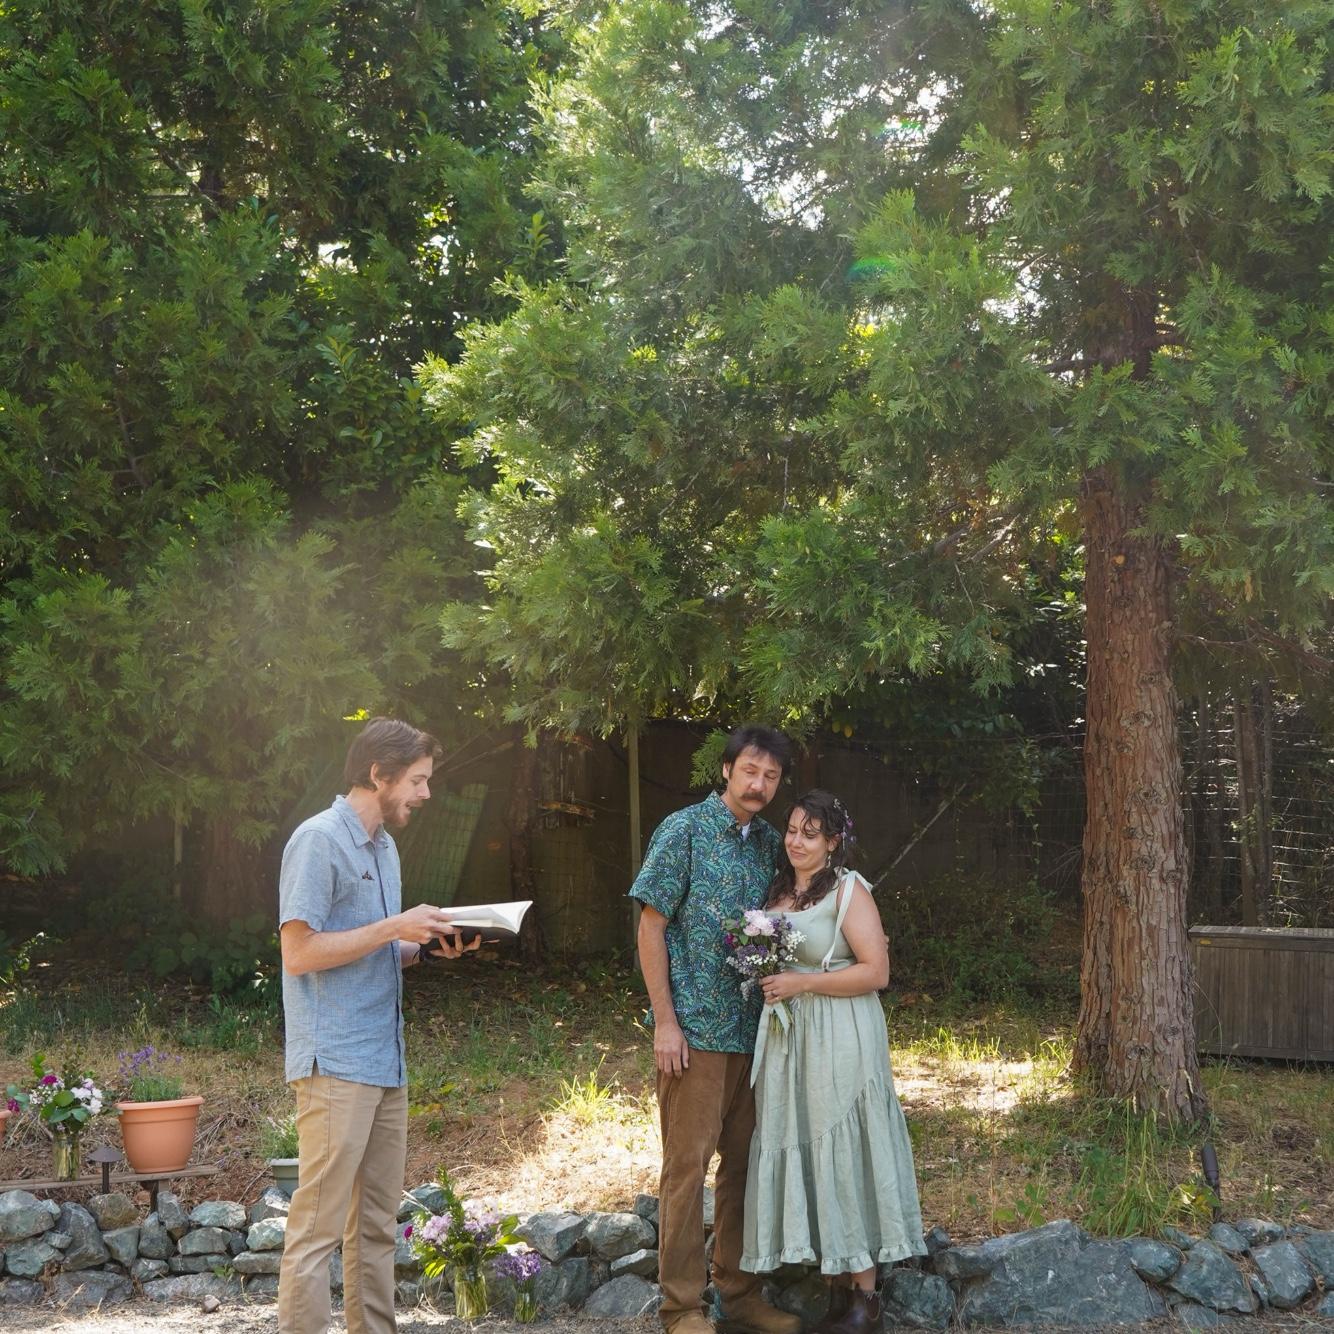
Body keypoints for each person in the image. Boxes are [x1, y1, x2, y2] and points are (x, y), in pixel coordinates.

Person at [277, 717, 477, 1334]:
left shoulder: (385, 847)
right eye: (417, 781)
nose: (424, 793)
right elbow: (300, 953)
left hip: (385, 1060)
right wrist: (395, 928)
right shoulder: (318, 841)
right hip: (335, 1061)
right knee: (316, 1232)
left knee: (376, 1228)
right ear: (378, 775)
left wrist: (424, 945)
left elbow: (367, 946)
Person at [630, 724, 802, 1334]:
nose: (760, 785)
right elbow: (651, 926)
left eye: (772, 776)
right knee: (686, 1168)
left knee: (745, 1168)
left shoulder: (767, 847)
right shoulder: (683, 831)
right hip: (694, 1035)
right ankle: (681, 1307)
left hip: (755, 1034)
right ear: (726, 769)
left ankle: (740, 1294)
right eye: (750, 771)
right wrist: (666, 1024)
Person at [741, 790, 926, 1334]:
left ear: (833, 842)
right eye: (792, 829)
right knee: (806, 1140)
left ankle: (866, 1300)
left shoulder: (849, 891)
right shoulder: (777, 891)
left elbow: (876, 972)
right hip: (789, 1040)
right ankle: (836, 1287)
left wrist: (803, 983)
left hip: (839, 1032)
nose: (796, 840)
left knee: (840, 1143)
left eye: (810, 833)